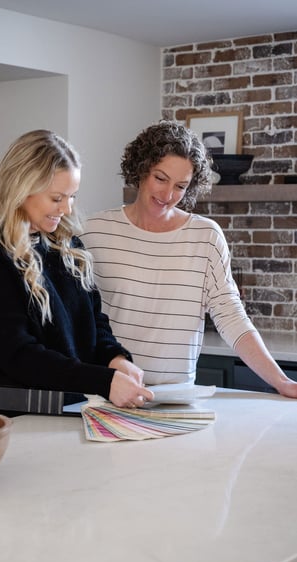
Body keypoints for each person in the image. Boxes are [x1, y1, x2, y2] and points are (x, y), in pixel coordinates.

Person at [81, 120, 297, 399]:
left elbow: (231, 316)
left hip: (176, 398)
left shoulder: (205, 237)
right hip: (107, 394)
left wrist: (281, 381)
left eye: (181, 186)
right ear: (141, 169)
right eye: (160, 178)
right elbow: (79, 319)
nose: (168, 195)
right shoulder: (93, 231)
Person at [0, 129, 154, 409]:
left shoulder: (68, 245)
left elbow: (94, 322)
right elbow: (19, 357)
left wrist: (116, 360)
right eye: (57, 198)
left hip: (76, 408)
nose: (68, 209)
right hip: (19, 416)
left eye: (72, 197)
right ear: (22, 189)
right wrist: (104, 381)